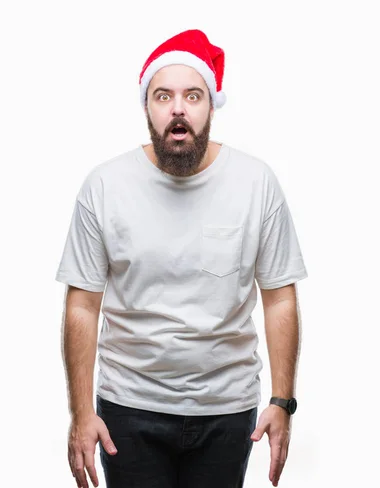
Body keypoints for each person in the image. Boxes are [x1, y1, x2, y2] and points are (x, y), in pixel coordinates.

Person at [56, 28, 308, 488]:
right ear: (147, 107)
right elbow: (82, 304)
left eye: (192, 95)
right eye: (162, 95)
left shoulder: (256, 183)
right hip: (128, 409)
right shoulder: (105, 186)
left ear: (211, 105)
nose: (177, 107)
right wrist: (81, 412)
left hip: (228, 411)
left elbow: (279, 298)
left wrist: (282, 401)